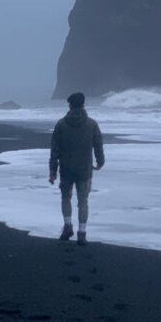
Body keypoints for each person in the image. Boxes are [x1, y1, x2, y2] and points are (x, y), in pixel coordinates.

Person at [49, 92, 105, 245]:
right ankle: (82, 232)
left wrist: (52, 171)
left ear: (69, 106)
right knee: (83, 201)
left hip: (66, 169)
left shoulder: (61, 124)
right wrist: (100, 162)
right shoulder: (92, 125)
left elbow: (55, 151)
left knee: (66, 198)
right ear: (84, 105)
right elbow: (98, 146)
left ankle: (67, 226)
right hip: (84, 169)